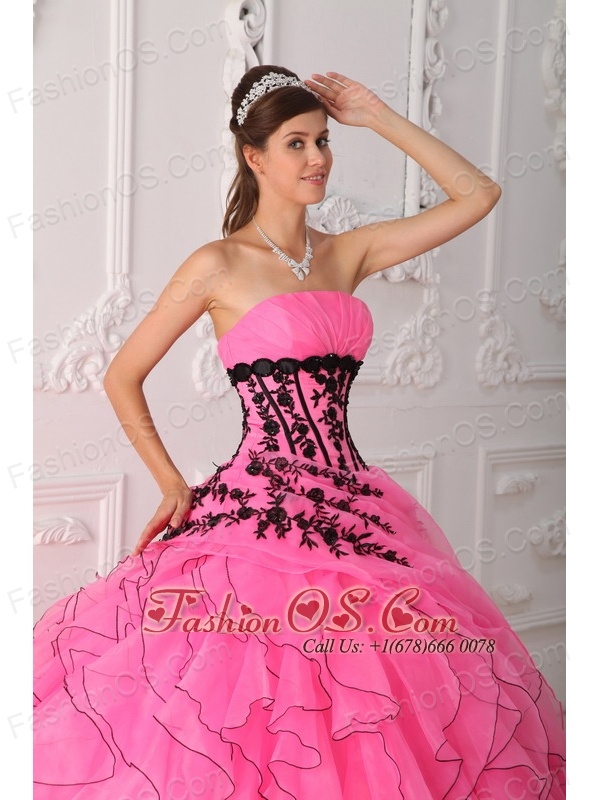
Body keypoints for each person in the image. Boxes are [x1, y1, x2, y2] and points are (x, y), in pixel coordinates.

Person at [33, 66, 566, 799]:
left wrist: (376, 116)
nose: (318, 158)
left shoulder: (346, 253)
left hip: (358, 511)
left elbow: (479, 195)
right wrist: (169, 481)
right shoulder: (218, 265)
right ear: (253, 156)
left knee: (378, 700)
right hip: (255, 515)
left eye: (322, 141)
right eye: (296, 143)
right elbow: (123, 374)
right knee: (245, 707)